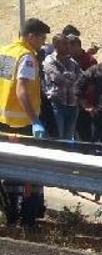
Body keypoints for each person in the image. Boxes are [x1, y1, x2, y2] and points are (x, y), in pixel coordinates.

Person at [0, 18, 51, 227]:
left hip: (3, 120)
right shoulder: (27, 57)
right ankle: (28, 218)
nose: (43, 42)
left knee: (9, 169)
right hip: (22, 123)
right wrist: (35, 120)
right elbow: (22, 89)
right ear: (31, 36)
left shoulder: (6, 50)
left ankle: (10, 213)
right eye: (41, 38)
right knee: (30, 169)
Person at [43, 33, 81, 140]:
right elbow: (58, 79)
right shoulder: (49, 60)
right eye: (64, 44)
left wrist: (70, 77)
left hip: (73, 105)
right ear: (56, 45)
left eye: (68, 43)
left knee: (68, 139)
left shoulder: (72, 62)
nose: (68, 46)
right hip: (57, 104)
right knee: (58, 138)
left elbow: (81, 79)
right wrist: (71, 77)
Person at [67, 33, 97, 142]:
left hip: (85, 104)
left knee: (85, 134)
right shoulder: (68, 59)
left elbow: (90, 83)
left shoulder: (89, 61)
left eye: (69, 47)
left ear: (76, 46)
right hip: (71, 102)